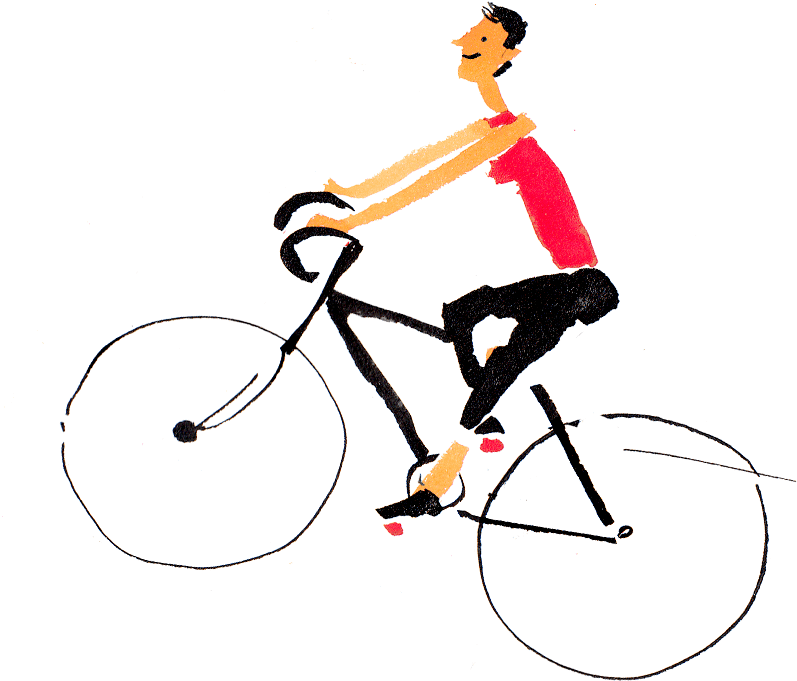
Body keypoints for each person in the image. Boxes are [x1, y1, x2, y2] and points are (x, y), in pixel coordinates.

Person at [306, 4, 618, 520]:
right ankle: (482, 424)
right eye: (473, 33)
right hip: (556, 280)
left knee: (483, 347)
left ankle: (443, 478)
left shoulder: (515, 130)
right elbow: (424, 160)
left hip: (575, 285)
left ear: (509, 55)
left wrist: (354, 222)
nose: (467, 42)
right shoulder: (496, 121)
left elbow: (436, 179)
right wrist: (352, 195)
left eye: (484, 39)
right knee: (464, 318)